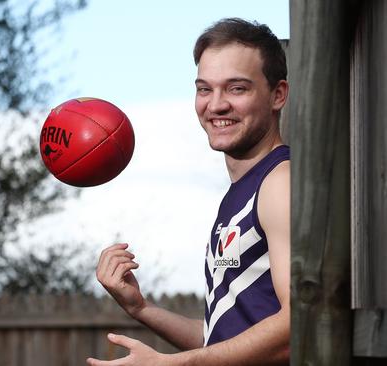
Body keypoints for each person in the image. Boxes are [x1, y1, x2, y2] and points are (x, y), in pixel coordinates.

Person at [87, 18, 290, 366]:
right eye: (204, 89)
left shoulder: (280, 183)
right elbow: (225, 336)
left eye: (236, 88)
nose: (216, 104)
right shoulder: (242, 192)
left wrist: (170, 364)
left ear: (278, 94)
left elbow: (299, 324)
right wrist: (142, 308)